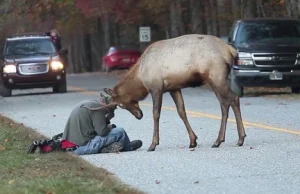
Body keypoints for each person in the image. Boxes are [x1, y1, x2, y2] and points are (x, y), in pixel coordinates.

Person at [60, 93, 143, 155]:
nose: (114, 109)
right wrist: (110, 125)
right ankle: (128, 147)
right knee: (120, 132)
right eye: (114, 108)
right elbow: (102, 132)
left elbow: (94, 127)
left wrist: (107, 119)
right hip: (81, 148)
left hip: (69, 147)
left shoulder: (90, 104)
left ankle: (107, 148)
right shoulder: (99, 108)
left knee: (113, 131)